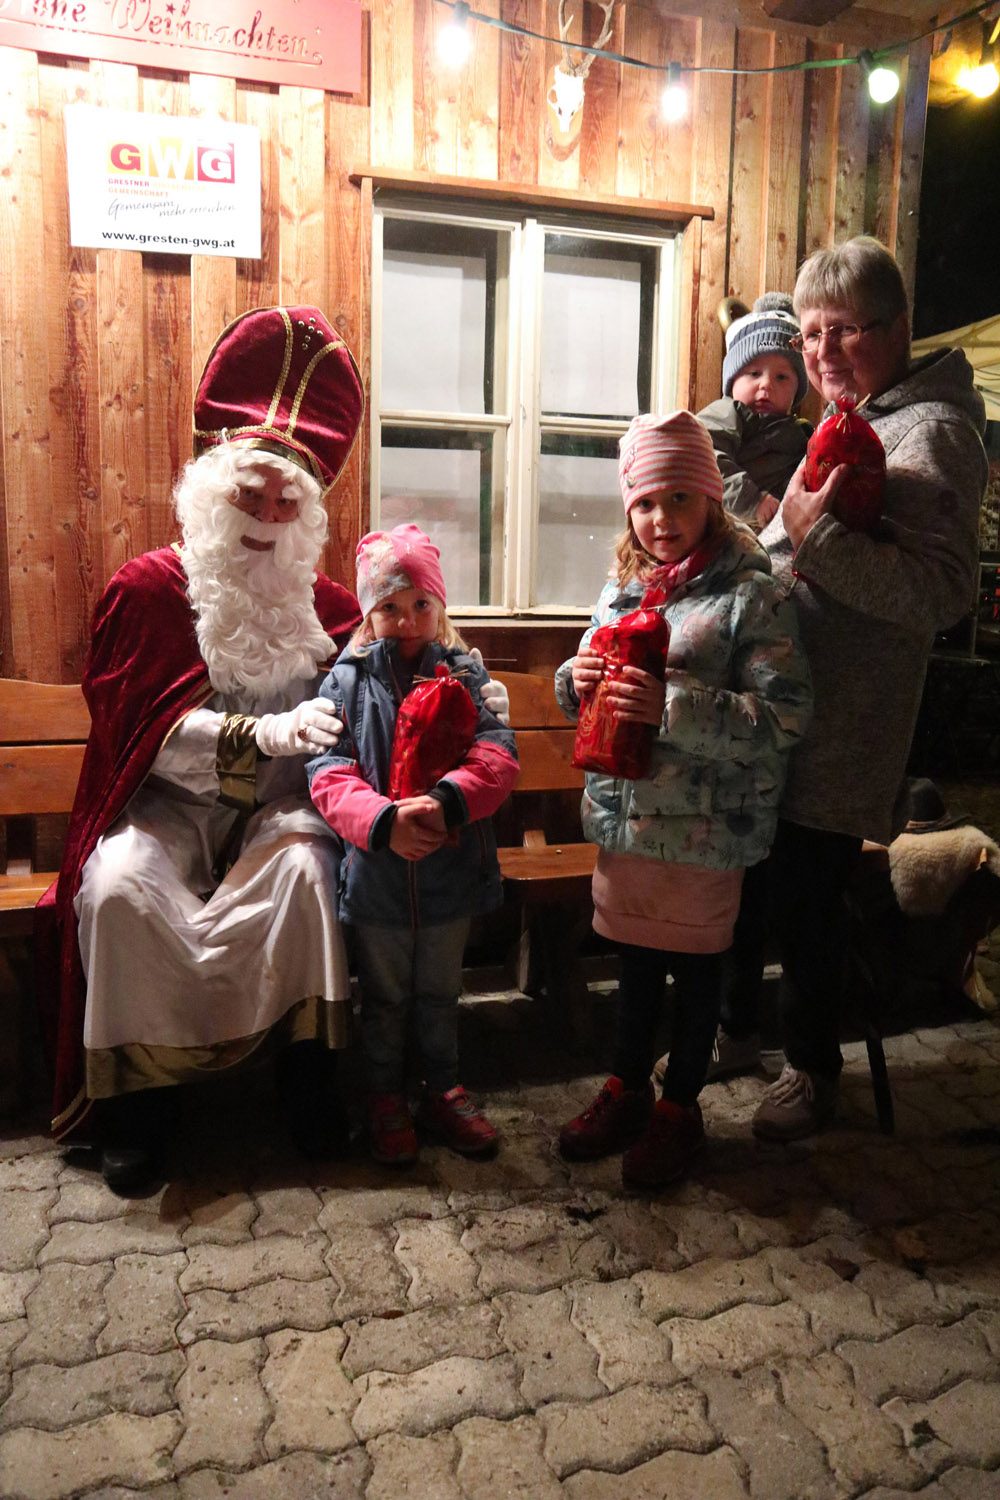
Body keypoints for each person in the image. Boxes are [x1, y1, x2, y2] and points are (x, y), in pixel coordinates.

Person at [42, 304, 511, 1194]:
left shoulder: (330, 608)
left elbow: (408, 673)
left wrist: (472, 695)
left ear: (306, 511)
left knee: (305, 875)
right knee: (117, 888)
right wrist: (252, 734)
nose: (265, 514)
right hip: (169, 808)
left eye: (284, 500)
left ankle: (307, 1085)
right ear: (210, 492)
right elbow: (130, 734)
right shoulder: (148, 591)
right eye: (248, 494)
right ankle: (140, 1109)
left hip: (284, 807)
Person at [748, 235, 988, 1141]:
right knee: (767, 883)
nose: (823, 352)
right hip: (788, 704)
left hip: (843, 719)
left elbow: (942, 591)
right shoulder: (860, 417)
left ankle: (813, 1071)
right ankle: (743, 1032)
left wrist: (812, 543)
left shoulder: (932, 431)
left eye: (846, 329)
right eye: (811, 333)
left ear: (898, 327)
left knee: (808, 898)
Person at [553, 411, 812, 1189]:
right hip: (629, 822)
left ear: (710, 498)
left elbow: (784, 716)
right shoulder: (623, 588)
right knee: (634, 966)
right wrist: (577, 681)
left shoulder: (752, 596)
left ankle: (680, 1111)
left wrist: (670, 707)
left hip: (705, 830)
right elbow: (590, 686)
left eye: (678, 498)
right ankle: (629, 1088)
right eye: (644, 503)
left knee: (697, 976)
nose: (660, 518)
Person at [306, 525, 519, 1166]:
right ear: (368, 613)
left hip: (450, 872)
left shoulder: (466, 675)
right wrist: (382, 822)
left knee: (440, 992)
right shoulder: (345, 685)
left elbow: (497, 756)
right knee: (385, 996)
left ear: (439, 605)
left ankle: (443, 1090)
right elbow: (328, 773)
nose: (406, 621)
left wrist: (448, 801)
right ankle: (384, 1094)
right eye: (389, 606)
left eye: (421, 604)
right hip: (378, 877)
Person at [697, 292, 813, 531]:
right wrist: (752, 502)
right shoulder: (726, 414)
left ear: (797, 391)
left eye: (781, 377)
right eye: (754, 374)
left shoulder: (801, 434)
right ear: (732, 380)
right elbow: (706, 457)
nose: (766, 385)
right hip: (724, 527)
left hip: (778, 532)